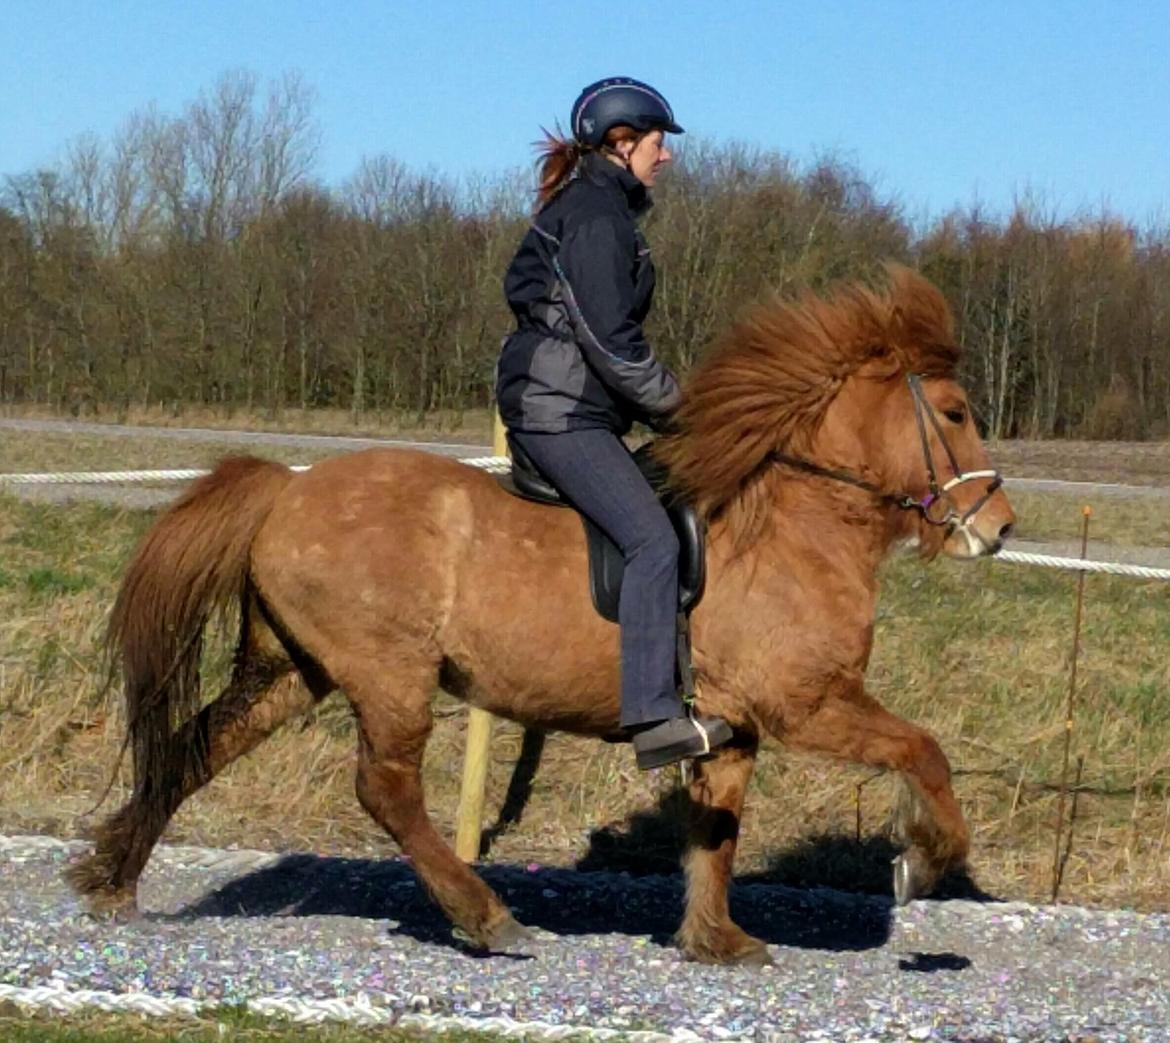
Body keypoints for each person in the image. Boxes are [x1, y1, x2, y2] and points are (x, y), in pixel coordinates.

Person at [495, 76, 733, 770]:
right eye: (660, 144)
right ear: (622, 143)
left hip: (576, 406)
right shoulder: (597, 217)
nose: (668, 159)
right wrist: (683, 409)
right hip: (560, 413)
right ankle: (653, 715)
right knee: (653, 540)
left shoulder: (602, 209)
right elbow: (610, 343)